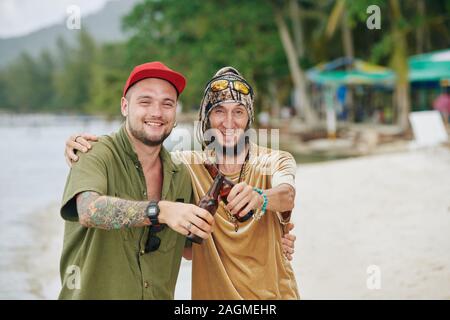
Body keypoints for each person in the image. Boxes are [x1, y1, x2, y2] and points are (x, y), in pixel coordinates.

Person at [66, 67, 299, 299]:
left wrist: (262, 198)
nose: (229, 122)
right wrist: (77, 147)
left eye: (238, 111)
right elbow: (187, 248)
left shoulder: (273, 160)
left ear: (249, 117)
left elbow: (286, 193)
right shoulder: (186, 167)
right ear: (206, 117)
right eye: (219, 111)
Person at [59, 61, 215, 300]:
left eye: (167, 104)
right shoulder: (93, 152)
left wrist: (274, 235)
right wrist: (160, 211)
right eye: (145, 101)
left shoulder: (181, 174)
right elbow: (88, 210)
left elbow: (190, 250)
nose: (157, 112)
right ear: (124, 106)